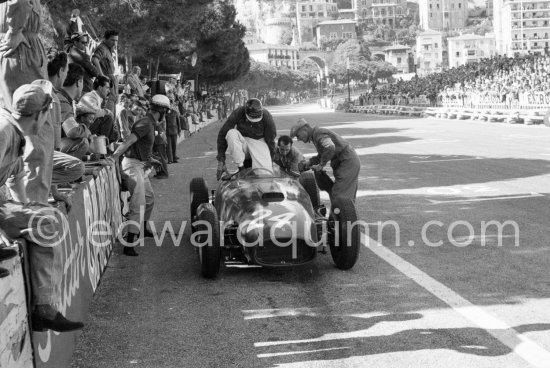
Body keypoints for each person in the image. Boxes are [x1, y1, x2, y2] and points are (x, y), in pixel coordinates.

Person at [0, 83, 84, 332]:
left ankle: (44, 309)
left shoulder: (14, 131)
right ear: (40, 114)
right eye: (49, 113)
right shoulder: (5, 131)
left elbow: (16, 181)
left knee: (45, 220)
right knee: (46, 222)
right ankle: (44, 309)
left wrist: (29, 212)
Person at [111, 95, 171, 256]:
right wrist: (113, 158)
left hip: (140, 165)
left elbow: (140, 146)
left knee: (149, 199)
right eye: (166, 111)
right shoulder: (146, 123)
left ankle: (142, 230)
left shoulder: (150, 123)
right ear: (162, 111)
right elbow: (129, 142)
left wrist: (151, 159)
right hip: (132, 165)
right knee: (138, 203)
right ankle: (129, 244)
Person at [290, 118, 360, 202]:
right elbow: (323, 154)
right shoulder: (316, 136)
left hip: (347, 162)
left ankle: (342, 214)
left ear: (305, 129)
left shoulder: (319, 133)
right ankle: (343, 214)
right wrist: (308, 163)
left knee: (339, 196)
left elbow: (330, 147)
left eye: (298, 135)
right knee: (342, 196)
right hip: (344, 162)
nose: (298, 139)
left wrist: (321, 165)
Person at [0, 0, 47, 109]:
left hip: (16, 46)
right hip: (18, 48)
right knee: (30, 111)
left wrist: (14, 31)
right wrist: (14, 31)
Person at [216, 98, 276, 180]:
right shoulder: (239, 112)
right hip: (243, 142)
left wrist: (270, 161)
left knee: (265, 176)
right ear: (246, 112)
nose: (253, 122)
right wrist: (221, 160)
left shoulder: (266, 116)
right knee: (231, 133)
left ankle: (262, 168)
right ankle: (241, 168)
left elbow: (271, 140)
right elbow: (223, 134)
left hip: (259, 142)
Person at [57, 63, 89, 158]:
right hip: (47, 149)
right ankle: (64, 171)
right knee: (82, 143)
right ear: (79, 82)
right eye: (83, 82)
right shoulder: (62, 100)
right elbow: (72, 131)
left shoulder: (63, 98)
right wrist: (86, 131)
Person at [80, 75, 119, 143]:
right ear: (100, 88)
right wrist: (107, 111)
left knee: (115, 133)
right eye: (107, 88)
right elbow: (94, 113)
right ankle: (99, 145)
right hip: (84, 128)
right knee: (108, 118)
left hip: (90, 125)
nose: (108, 91)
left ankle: (103, 147)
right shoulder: (91, 96)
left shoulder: (97, 97)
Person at [92, 30, 119, 115]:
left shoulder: (108, 49)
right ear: (105, 39)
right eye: (112, 40)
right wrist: (102, 76)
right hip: (107, 86)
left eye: (116, 40)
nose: (115, 43)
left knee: (112, 114)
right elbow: (94, 59)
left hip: (111, 84)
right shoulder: (102, 48)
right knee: (108, 114)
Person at [165, 98, 181, 163]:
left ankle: (174, 158)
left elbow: (178, 122)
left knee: (174, 145)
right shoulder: (164, 113)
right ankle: (170, 159)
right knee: (168, 146)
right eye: (169, 104)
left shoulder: (175, 112)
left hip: (174, 130)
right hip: (167, 131)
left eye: (171, 104)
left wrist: (179, 131)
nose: (170, 105)